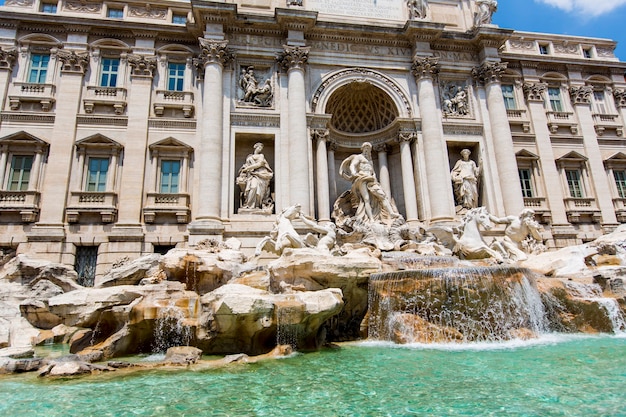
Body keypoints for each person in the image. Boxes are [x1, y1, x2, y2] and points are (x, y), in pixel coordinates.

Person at [339, 142, 399, 224]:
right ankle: (371, 219)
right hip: (362, 178)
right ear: (362, 149)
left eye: (368, 149)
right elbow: (352, 165)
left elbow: (373, 172)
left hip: (371, 180)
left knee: (382, 196)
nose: (367, 150)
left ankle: (391, 213)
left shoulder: (369, 160)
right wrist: (353, 173)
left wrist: (375, 178)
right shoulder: (359, 157)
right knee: (366, 199)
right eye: (365, 148)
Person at [236, 142, 273, 210]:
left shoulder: (261, 156)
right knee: (253, 187)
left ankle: (257, 205)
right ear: (255, 147)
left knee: (255, 188)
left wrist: (248, 168)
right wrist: (244, 169)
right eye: (259, 147)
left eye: (261, 148)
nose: (260, 149)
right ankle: (248, 205)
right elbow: (246, 165)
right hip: (251, 175)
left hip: (260, 175)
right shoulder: (250, 157)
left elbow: (259, 164)